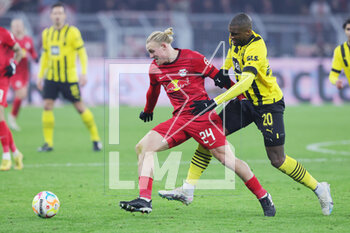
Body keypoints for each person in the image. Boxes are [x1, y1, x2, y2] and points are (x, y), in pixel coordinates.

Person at [159, 13, 334, 216]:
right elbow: (231, 57)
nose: (231, 38)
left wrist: (215, 101)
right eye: (230, 34)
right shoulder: (237, 41)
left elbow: (246, 82)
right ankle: (188, 189)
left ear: (248, 32)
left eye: (234, 34)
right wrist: (223, 70)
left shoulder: (256, 48)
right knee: (209, 136)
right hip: (246, 102)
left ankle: (320, 188)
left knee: (277, 159)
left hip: (269, 105)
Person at [119, 27, 276, 216]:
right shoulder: (155, 68)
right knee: (143, 148)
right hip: (179, 120)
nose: (151, 56)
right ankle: (144, 200)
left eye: (153, 52)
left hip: (202, 118)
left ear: (164, 46)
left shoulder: (192, 58)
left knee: (227, 159)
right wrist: (148, 110)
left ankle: (264, 196)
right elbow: (153, 91)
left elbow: (220, 78)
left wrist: (242, 99)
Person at [37, 2, 102, 152]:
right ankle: (48, 143)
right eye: (55, 13)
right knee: (47, 106)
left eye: (60, 13)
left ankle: (96, 139)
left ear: (65, 16)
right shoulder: (46, 33)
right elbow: (45, 56)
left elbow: (82, 54)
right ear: (51, 16)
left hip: (69, 78)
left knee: (80, 107)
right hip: (51, 77)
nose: (57, 16)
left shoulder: (73, 32)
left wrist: (84, 73)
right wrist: (40, 76)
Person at [8, 18, 38, 131]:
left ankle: (12, 116)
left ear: (23, 27)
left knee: (22, 95)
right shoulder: (9, 40)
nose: (17, 27)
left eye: (19, 25)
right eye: (15, 25)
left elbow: (32, 52)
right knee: (21, 93)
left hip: (25, 72)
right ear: (11, 27)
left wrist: (36, 58)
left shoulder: (28, 40)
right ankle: (11, 117)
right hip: (13, 71)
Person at [0, 26, 24, 171]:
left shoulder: (4, 33)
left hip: (2, 80)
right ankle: (16, 153)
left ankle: (6, 157)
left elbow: (19, 51)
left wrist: (13, 65)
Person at [329, 18, 350, 89]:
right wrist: (336, 81)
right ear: (345, 31)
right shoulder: (340, 51)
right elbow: (333, 75)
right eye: (348, 29)